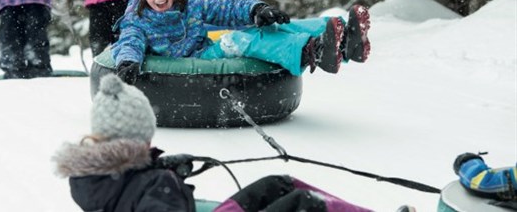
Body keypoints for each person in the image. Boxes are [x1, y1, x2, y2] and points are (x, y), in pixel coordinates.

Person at [52, 73, 373, 212]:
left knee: (278, 185)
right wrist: (164, 181)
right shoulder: (153, 185)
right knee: (302, 203)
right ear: (139, 136)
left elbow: (128, 192)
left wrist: (162, 169)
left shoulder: (96, 177)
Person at [110, 0, 371, 85]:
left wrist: (256, 9)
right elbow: (129, 41)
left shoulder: (190, 1)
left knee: (270, 29)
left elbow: (225, 8)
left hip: (206, 48)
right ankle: (312, 52)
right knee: (241, 40)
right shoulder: (137, 18)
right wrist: (127, 62)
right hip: (200, 59)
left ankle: (344, 38)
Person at [52, 73, 196, 212]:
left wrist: (150, 168)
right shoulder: (158, 187)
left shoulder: (91, 182)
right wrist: (166, 181)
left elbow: (124, 195)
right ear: (144, 137)